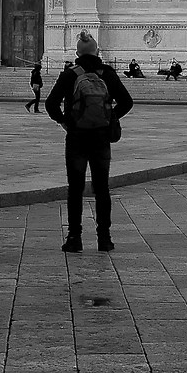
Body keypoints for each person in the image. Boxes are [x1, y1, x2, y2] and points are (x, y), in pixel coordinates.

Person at [46, 32, 131, 252]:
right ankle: (104, 238)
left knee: (75, 188)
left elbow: (51, 103)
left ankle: (75, 237)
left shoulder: (70, 74)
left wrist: (65, 122)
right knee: (102, 188)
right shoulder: (107, 73)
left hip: (76, 138)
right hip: (101, 138)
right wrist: (110, 117)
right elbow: (127, 102)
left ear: (77, 54)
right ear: (97, 52)